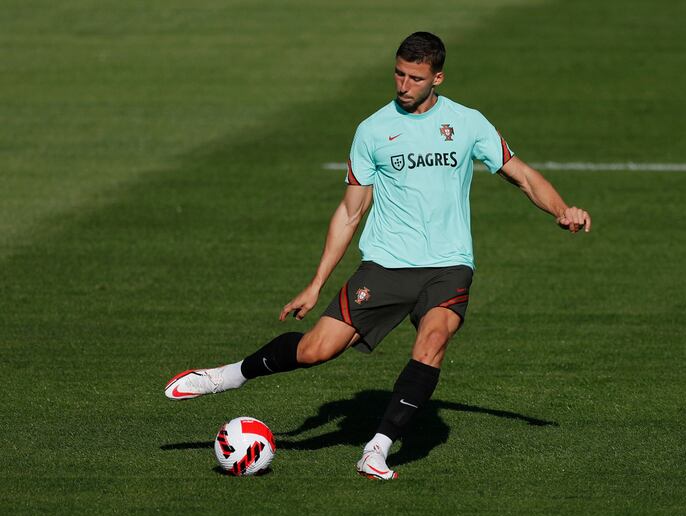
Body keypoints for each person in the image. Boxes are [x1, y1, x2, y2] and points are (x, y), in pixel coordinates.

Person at [164, 31, 591, 481]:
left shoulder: (468, 123)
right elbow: (351, 212)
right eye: (399, 74)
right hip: (386, 266)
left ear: (437, 78)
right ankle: (228, 376)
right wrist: (316, 283)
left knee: (433, 341)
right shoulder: (372, 130)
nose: (404, 85)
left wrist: (563, 210)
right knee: (314, 350)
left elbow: (522, 175)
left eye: (416, 78)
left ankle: (376, 448)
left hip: (449, 265)